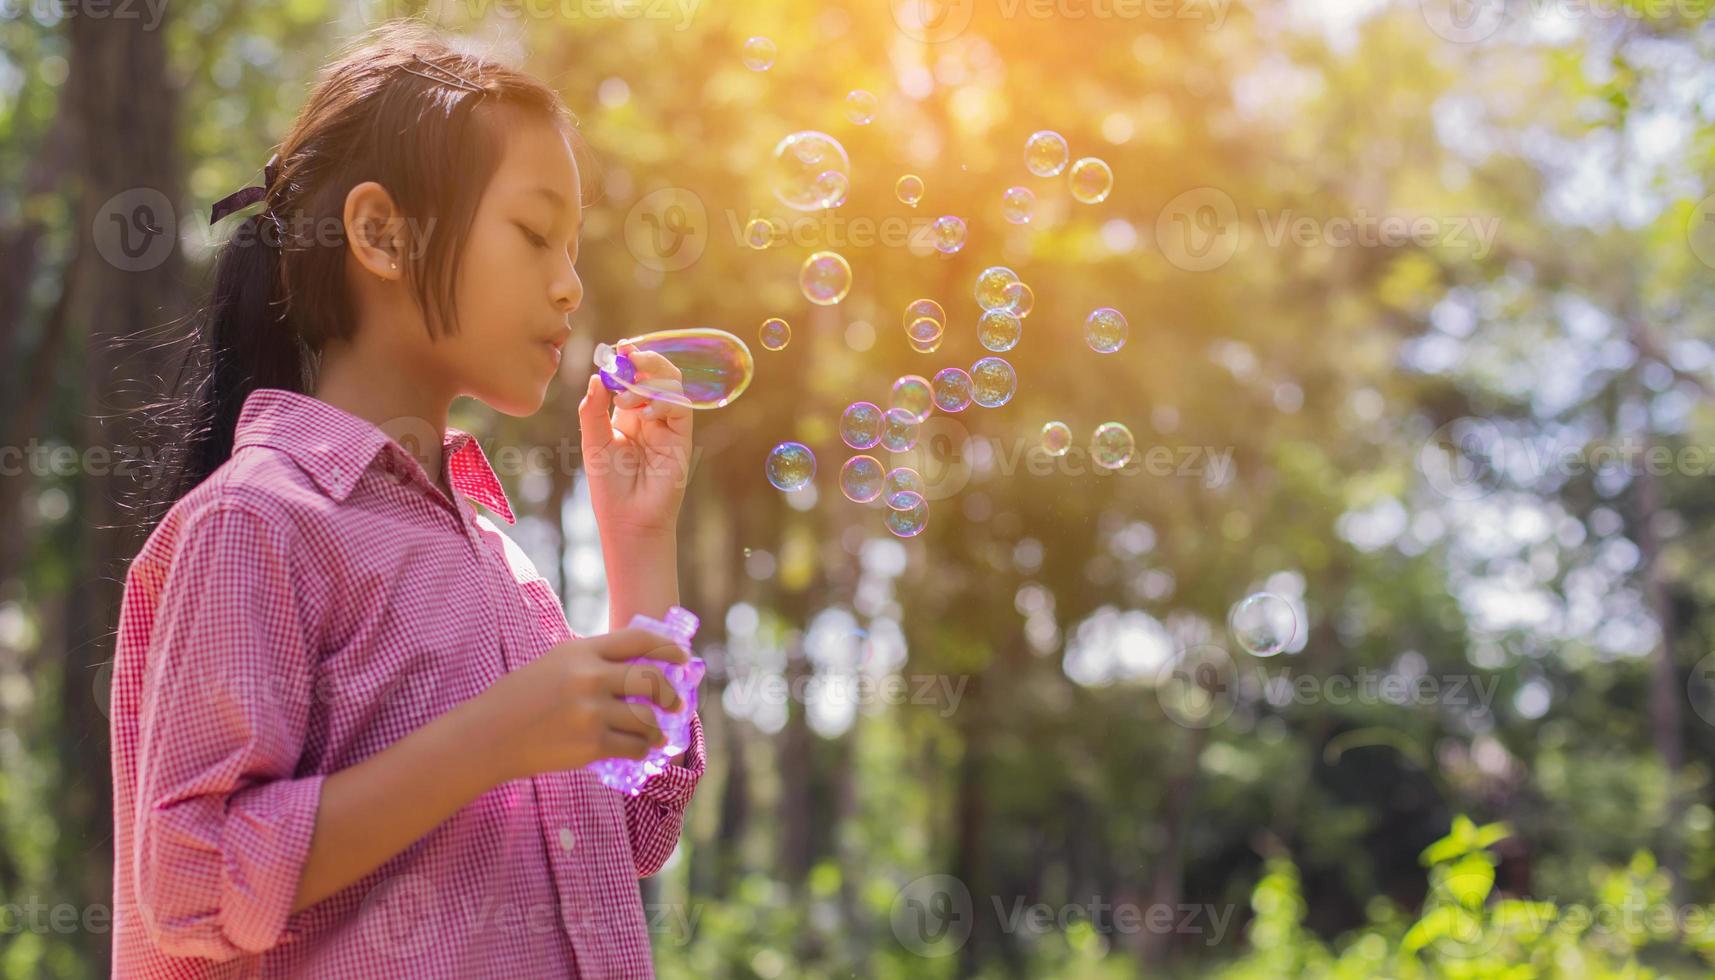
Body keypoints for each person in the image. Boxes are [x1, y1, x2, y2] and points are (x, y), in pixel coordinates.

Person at [108, 23, 701, 977]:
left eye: (574, 247)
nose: (569, 283)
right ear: (383, 234)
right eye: (534, 233)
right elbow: (190, 880)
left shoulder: (494, 559)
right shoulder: (260, 521)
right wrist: (495, 736)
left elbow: (630, 825)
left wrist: (638, 543)